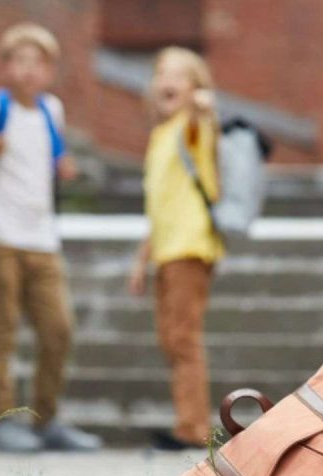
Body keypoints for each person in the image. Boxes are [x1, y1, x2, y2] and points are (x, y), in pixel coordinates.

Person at [0, 23, 100, 452]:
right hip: (0, 237)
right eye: (19, 61)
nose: (28, 71)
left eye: (38, 62)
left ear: (49, 71)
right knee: (1, 330)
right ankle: (2, 419)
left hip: (43, 239)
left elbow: (51, 155)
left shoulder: (53, 110)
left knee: (58, 329)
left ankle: (47, 419)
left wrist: (64, 166)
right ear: (5, 67)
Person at [128, 47, 222, 451]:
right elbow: (159, 204)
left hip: (190, 246)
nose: (167, 81)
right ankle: (188, 421)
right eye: (161, 73)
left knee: (183, 337)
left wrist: (203, 106)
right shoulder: (160, 135)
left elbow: (207, 122)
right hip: (166, 249)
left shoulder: (191, 127)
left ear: (194, 86)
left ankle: (193, 428)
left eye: (179, 75)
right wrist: (141, 260)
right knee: (171, 338)